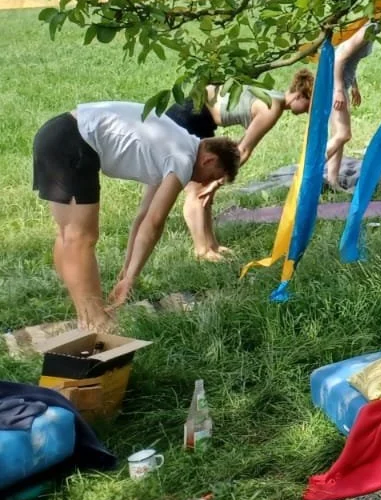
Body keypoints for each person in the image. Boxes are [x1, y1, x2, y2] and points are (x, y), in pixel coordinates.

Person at [32, 102, 240, 330]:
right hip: (74, 142)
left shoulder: (176, 142)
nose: (205, 183)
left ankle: (84, 311)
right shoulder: (183, 158)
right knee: (80, 237)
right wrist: (131, 279)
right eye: (212, 176)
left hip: (56, 133)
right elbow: (154, 223)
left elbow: (143, 217)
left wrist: (127, 272)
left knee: (67, 235)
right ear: (208, 160)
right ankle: (96, 322)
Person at [166, 69, 316, 261]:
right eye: (309, 104)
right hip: (190, 117)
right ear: (299, 94)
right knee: (197, 191)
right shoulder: (273, 107)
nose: (308, 111)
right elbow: (243, 150)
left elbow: (238, 148)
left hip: (201, 119)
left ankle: (212, 245)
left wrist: (216, 182)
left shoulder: (272, 97)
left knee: (207, 193)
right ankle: (201, 250)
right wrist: (217, 181)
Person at [325, 0, 381, 191]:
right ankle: (307, 170)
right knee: (343, 134)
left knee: (338, 134)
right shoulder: (368, 30)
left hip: (341, 84)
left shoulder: (373, 31)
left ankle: (332, 181)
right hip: (333, 85)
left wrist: (353, 86)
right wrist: (338, 89)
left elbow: (350, 59)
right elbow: (339, 56)